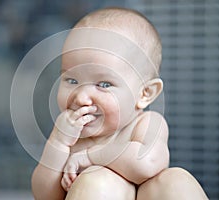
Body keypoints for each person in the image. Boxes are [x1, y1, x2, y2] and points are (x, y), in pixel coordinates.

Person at [31, 7, 208, 200]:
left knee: (176, 181)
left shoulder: (147, 124)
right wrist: (58, 142)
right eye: (71, 80)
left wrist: (90, 157)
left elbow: (147, 162)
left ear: (145, 94)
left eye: (104, 84)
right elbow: (45, 195)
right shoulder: (71, 137)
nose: (81, 98)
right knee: (96, 182)